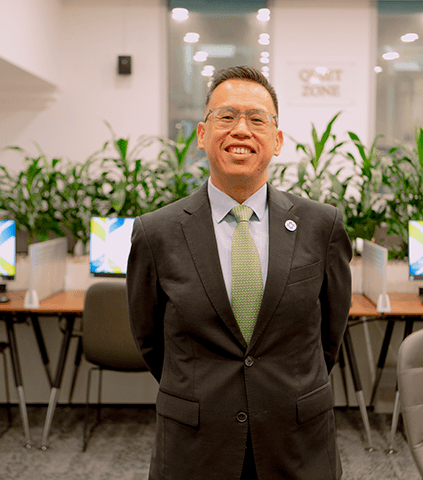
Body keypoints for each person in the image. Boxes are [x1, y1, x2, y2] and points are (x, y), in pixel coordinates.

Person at [127, 65, 352, 480]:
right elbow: (150, 341)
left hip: (297, 441)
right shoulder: (156, 233)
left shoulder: (323, 227)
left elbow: (329, 338)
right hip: (196, 445)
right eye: (226, 117)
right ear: (201, 134)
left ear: (277, 139)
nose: (240, 130)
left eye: (256, 119)